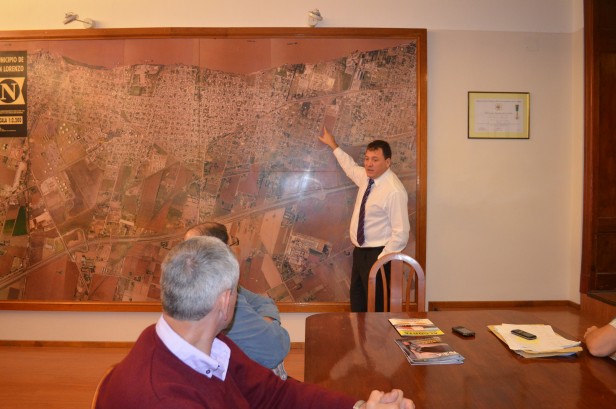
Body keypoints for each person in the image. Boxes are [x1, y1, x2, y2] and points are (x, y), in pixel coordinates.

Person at [96, 236, 414, 409]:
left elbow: (275, 394)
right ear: (226, 302)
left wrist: (360, 408)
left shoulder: (212, 346)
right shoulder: (165, 397)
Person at [318, 128, 410, 312]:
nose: (369, 164)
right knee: (358, 304)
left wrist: (380, 260)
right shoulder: (368, 179)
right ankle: (360, 332)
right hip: (360, 252)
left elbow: (401, 233)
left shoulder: (394, 191)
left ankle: (377, 334)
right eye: (367, 159)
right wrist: (333, 145)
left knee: (377, 310)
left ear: (388, 162)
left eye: (375, 160)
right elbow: (350, 167)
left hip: (378, 255)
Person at [184, 222, 290, 378]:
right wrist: (269, 321)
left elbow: (263, 301)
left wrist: (266, 319)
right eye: (232, 244)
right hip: (240, 382)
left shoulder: (208, 285)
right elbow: (275, 348)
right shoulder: (220, 298)